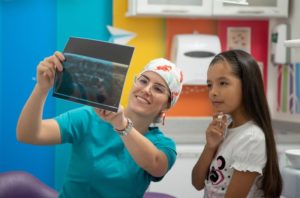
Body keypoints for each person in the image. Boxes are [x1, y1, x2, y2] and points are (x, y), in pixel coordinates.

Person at [16, 51, 183, 198]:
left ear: (167, 104)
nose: (146, 90)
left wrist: (121, 125)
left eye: (158, 89)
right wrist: (41, 88)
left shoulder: (163, 145)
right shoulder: (90, 117)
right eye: (143, 81)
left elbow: (156, 165)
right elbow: (28, 134)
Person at [191, 49, 282, 197]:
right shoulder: (225, 127)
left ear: (247, 84)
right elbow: (197, 182)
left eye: (223, 83)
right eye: (209, 85)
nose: (213, 92)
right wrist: (210, 146)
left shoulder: (251, 138)